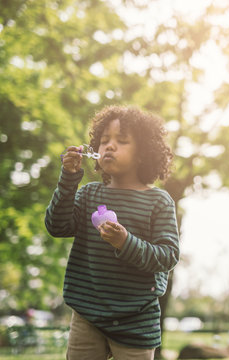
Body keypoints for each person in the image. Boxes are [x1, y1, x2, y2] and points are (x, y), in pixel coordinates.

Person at [45, 105, 179, 360]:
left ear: (143, 153)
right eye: (104, 140)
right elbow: (57, 226)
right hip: (87, 316)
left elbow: (168, 256)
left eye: (122, 141)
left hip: (137, 319)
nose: (109, 146)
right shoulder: (88, 194)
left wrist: (125, 242)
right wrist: (68, 178)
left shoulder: (158, 202)